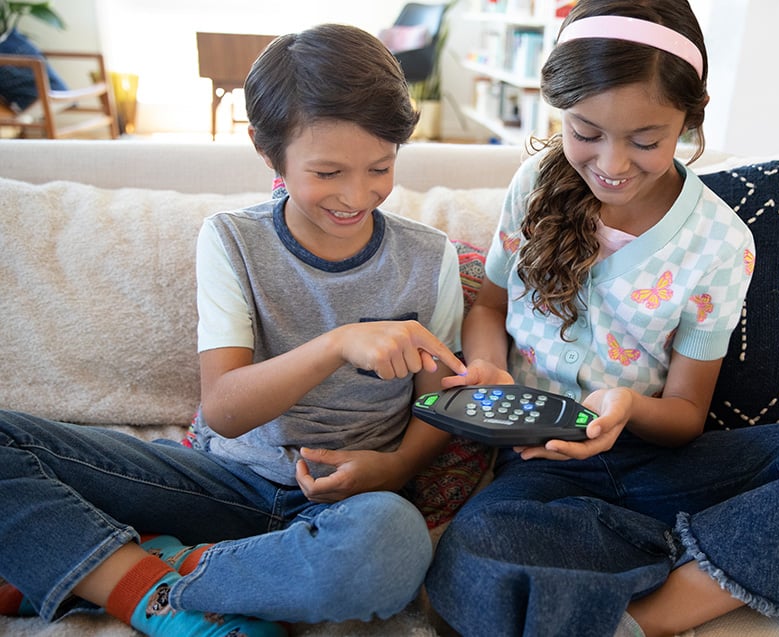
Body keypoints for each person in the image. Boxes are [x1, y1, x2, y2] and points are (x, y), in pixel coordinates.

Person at [424, 1, 779, 636]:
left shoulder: (721, 243)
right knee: (472, 558)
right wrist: (487, 369)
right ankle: (708, 558)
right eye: (585, 132)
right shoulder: (534, 182)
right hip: (541, 472)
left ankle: (652, 615)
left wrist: (626, 407)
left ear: (689, 119)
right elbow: (492, 306)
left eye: (645, 140)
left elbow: (684, 420)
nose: (612, 165)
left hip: (664, 466)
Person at [0, 23, 468, 637]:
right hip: (221, 484)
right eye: (327, 173)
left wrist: (397, 468)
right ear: (266, 150)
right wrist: (334, 345)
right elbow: (224, 410)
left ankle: (142, 573)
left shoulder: (429, 257)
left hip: (350, 505)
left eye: (380, 167)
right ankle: (154, 589)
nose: (358, 195)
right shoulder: (232, 240)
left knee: (397, 545)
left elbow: (439, 399)